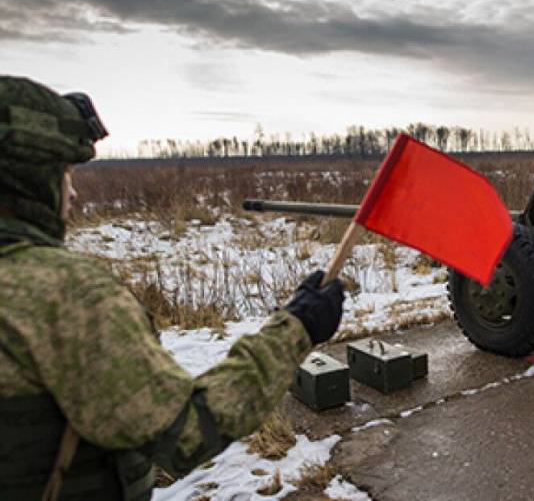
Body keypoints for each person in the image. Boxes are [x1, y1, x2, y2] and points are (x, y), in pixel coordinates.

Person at [0, 76, 345, 500]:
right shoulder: (62, 294)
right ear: (30, 176)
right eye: (64, 173)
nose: (71, 192)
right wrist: (297, 328)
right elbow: (185, 433)